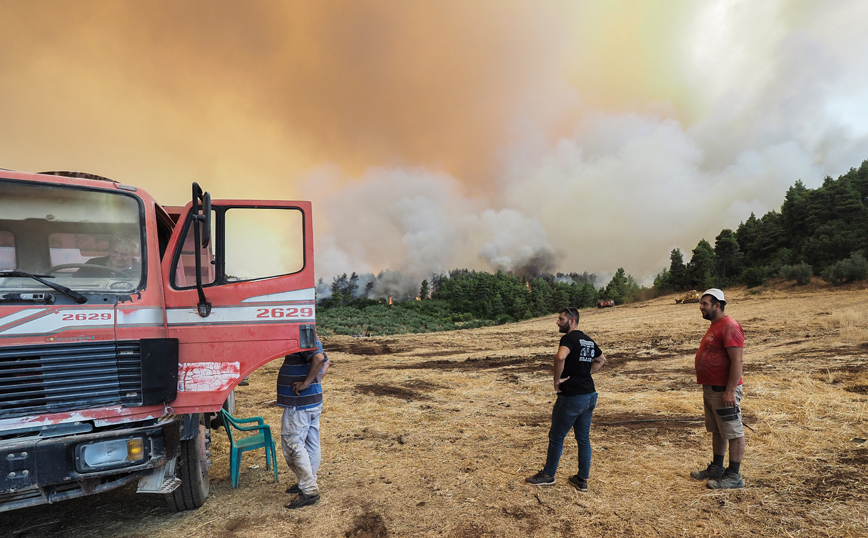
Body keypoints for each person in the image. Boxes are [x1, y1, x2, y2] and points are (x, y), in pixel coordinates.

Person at [526, 307, 607, 491]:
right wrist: (585, 374)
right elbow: (602, 360)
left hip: (572, 397)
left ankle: (547, 476)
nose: (557, 321)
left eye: (561, 319)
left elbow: (560, 356)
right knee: (583, 439)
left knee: (556, 437)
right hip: (590, 396)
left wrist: (557, 381)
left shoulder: (569, 338)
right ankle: (582, 479)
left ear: (571, 321)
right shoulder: (587, 340)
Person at [690, 288, 746, 489]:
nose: (701, 307)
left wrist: (730, 391)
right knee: (718, 431)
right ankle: (716, 468)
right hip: (712, 389)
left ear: (718, 305)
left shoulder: (729, 326)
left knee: (733, 431)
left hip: (724, 390)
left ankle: (734, 475)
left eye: (705, 304)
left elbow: (737, 361)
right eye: (701, 303)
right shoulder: (716, 325)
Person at [277, 336, 331, 509]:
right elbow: (326, 363)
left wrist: (306, 384)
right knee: (311, 443)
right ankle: (306, 481)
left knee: (293, 445)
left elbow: (320, 359)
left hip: (299, 404)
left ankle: (309, 490)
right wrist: (316, 381)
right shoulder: (312, 337)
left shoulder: (301, 336)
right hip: (312, 402)